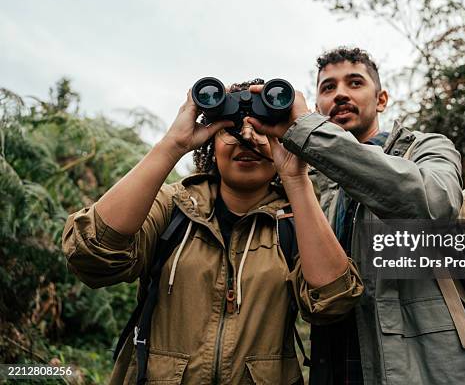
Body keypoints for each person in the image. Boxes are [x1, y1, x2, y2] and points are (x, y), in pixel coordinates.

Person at [61, 79, 363, 384]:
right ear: (211, 142)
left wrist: (296, 177)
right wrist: (172, 145)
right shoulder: (172, 207)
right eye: (230, 129)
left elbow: (333, 302)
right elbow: (91, 252)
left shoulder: (296, 221)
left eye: (262, 129)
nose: (247, 137)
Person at [248, 48, 465, 384]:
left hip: (432, 367)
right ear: (316, 108)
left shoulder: (426, 149)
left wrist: (312, 135)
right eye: (328, 88)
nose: (340, 93)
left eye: (354, 83)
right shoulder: (305, 180)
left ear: (381, 99)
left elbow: (434, 204)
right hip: (337, 367)